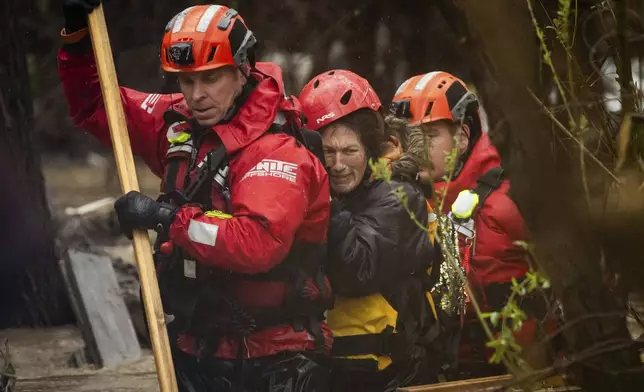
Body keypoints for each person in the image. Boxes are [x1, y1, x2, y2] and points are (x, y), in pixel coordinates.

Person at [58, 2, 333, 390]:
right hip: (195, 352)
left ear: (242, 69)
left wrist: (165, 218)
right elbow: (95, 105)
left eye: (210, 79)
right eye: (185, 82)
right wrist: (78, 36)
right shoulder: (179, 121)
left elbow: (257, 243)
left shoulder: (277, 150)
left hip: (275, 362)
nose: (196, 95)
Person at [391, 71, 544, 379]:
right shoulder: (402, 202)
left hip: (527, 373)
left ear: (461, 136)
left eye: (429, 136)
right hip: (447, 375)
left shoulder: (511, 199)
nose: (416, 150)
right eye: (408, 138)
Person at [299, 70, 441, 392]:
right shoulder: (324, 194)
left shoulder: (401, 197)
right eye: (327, 152)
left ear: (371, 149)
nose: (337, 164)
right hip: (332, 371)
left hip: (392, 376)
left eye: (349, 151)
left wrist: (322, 196)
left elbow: (356, 268)